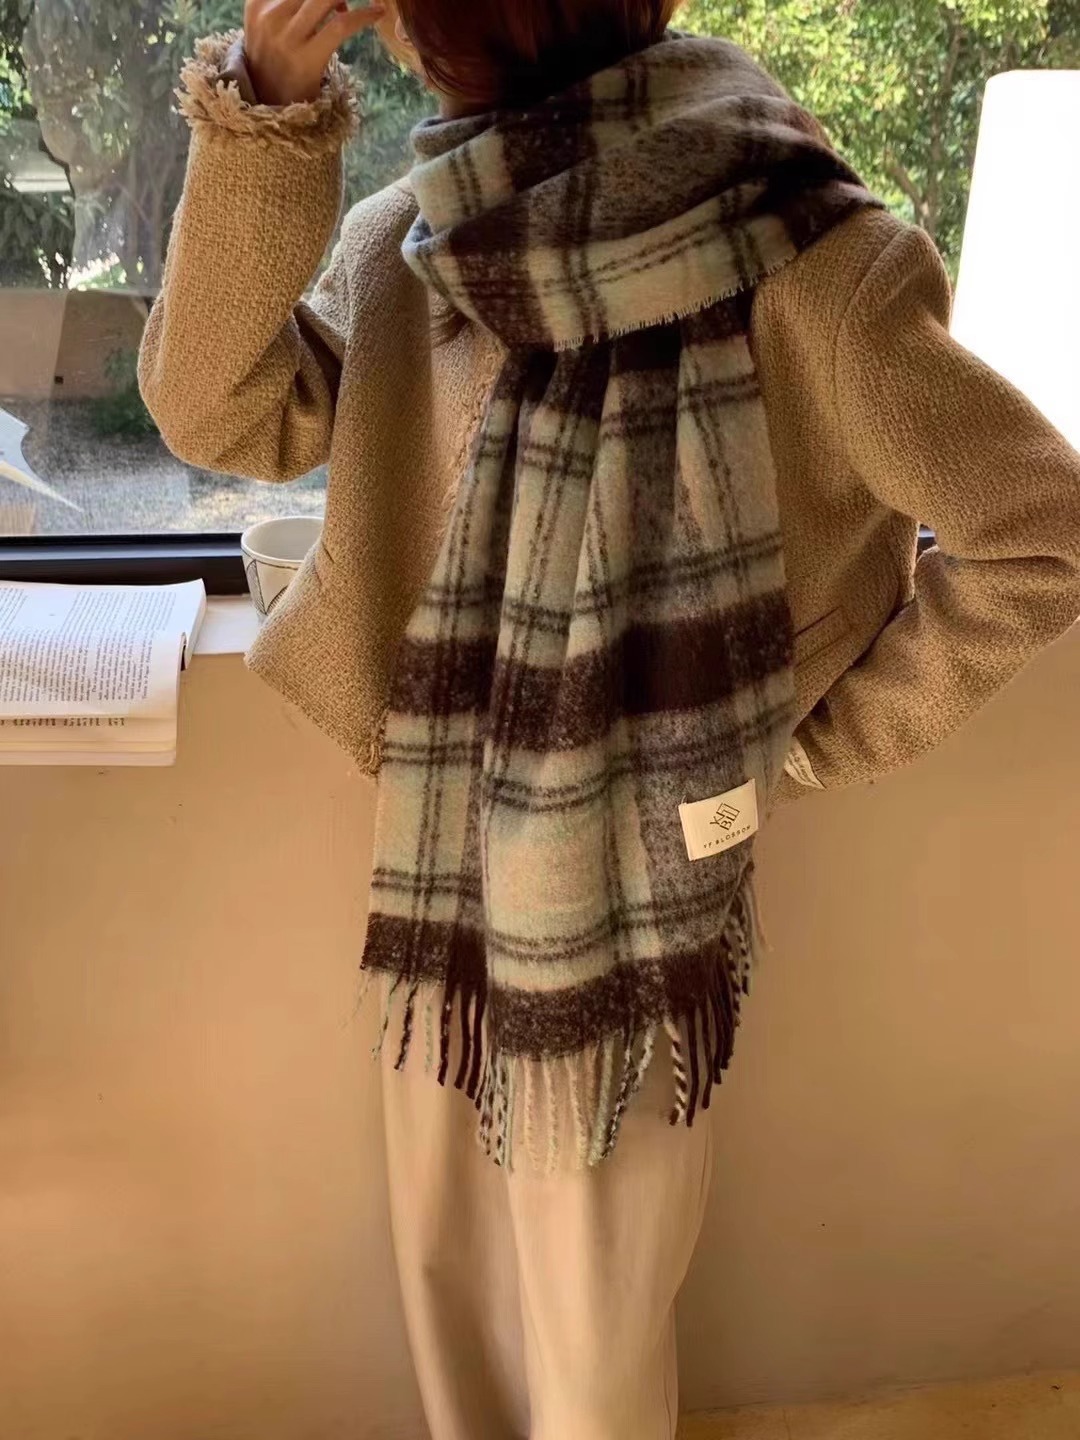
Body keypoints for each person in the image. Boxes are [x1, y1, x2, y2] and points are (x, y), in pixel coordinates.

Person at [139, 2, 1080, 1436]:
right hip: (433, 847)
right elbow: (212, 410)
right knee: (448, 1268)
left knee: (590, 1309)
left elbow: (1039, 530)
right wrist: (262, 115)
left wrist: (812, 740)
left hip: (638, 887)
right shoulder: (418, 246)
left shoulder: (810, 260)